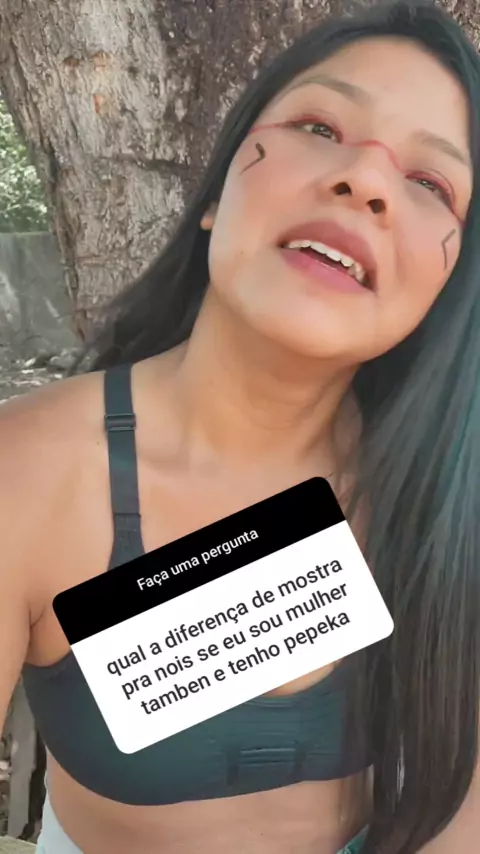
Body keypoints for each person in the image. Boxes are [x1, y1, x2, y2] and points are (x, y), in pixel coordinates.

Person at [0, 0, 479, 851]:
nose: (366, 181)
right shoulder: (28, 471)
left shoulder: (447, 495)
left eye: (430, 183)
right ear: (215, 197)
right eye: (319, 127)